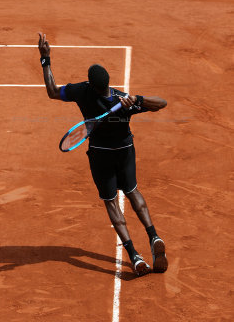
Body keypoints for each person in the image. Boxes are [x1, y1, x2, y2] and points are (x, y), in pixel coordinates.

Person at [38, 33, 168, 277]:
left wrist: (46, 59)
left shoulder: (82, 92)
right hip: (125, 151)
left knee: (110, 201)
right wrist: (137, 99)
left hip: (100, 155)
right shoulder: (122, 101)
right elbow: (162, 103)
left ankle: (135, 257)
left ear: (91, 84)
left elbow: (53, 91)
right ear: (108, 84)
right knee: (132, 192)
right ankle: (154, 236)